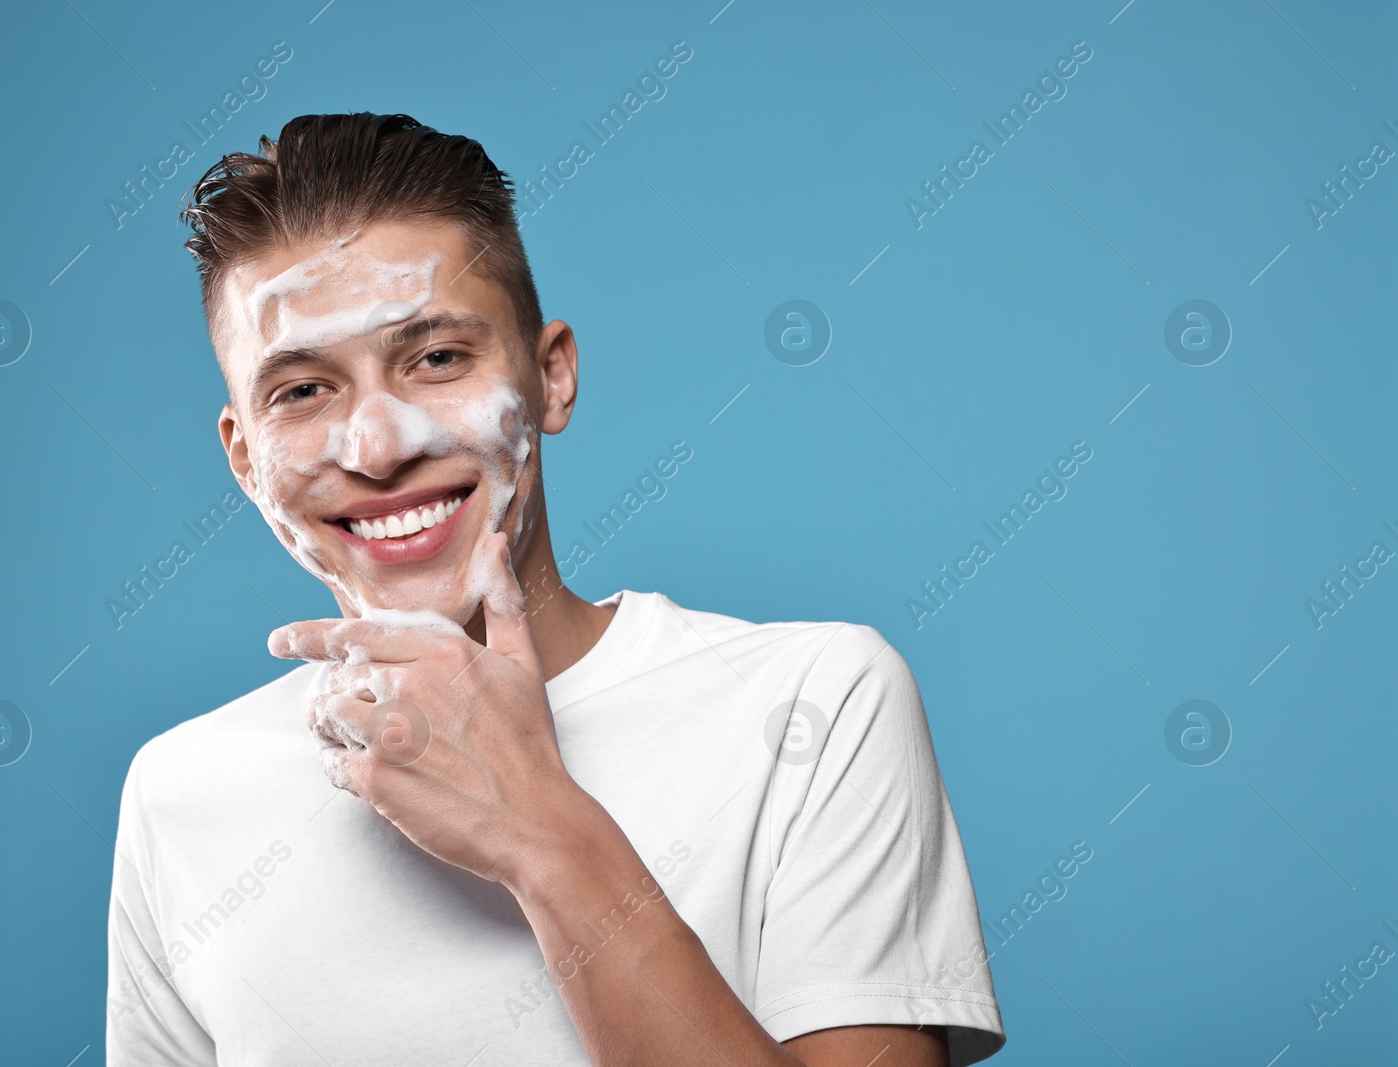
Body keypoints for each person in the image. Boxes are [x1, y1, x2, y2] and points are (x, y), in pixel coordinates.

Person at [106, 112, 1005, 1066]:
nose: (378, 446)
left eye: (436, 358)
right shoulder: (180, 791)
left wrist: (539, 826)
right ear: (246, 459)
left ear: (552, 376)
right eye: (302, 390)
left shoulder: (817, 701)